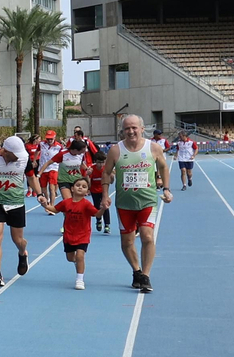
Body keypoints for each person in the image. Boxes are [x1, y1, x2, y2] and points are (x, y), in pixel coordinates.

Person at [101, 114, 172, 293]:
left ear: (142, 129)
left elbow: (163, 166)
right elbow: (106, 172)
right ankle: (136, 271)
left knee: (148, 236)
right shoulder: (116, 150)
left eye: (134, 128)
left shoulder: (153, 148)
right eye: (127, 128)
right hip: (124, 204)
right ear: (122, 131)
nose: (131, 131)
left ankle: (146, 275)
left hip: (148, 201)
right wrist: (104, 195)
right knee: (127, 241)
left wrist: (166, 189)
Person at [0, 136, 35, 288]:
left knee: (18, 240)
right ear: (4, 151)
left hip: (16, 203)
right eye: (14, 154)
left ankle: (23, 253)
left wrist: (40, 194)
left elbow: (31, 177)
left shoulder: (24, 158)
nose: (17, 157)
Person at [52, 176, 97, 290]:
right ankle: (78, 264)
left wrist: (103, 208)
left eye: (84, 186)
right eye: (78, 185)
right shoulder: (66, 203)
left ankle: (80, 280)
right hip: (69, 235)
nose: (80, 188)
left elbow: (97, 214)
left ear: (87, 191)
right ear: (72, 189)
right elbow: (54, 210)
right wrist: (44, 204)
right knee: (70, 258)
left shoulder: (86, 204)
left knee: (80, 255)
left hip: (83, 234)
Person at [52, 137, 94, 203]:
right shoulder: (63, 154)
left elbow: (81, 163)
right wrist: (39, 174)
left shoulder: (80, 155)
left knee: (76, 202)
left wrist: (86, 169)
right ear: (76, 150)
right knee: (68, 202)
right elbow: (49, 162)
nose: (84, 152)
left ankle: (71, 212)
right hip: (64, 180)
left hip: (76, 179)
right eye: (83, 150)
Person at [36, 129, 64, 216]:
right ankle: (47, 201)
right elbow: (37, 151)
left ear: (54, 137)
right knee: (43, 188)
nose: (49, 140)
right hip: (42, 168)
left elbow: (63, 156)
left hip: (53, 168)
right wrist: (34, 161)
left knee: (51, 188)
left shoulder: (59, 146)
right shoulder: (41, 144)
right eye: (48, 139)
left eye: (51, 139)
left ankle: (52, 206)